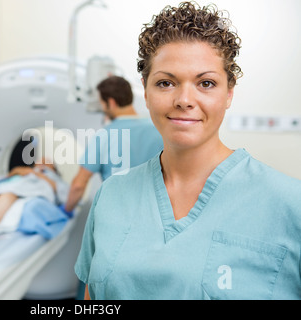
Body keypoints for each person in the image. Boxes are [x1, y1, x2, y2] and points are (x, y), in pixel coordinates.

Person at [75, 1, 301, 300]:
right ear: (145, 90)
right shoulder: (112, 196)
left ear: (229, 92)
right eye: (166, 82)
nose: (184, 99)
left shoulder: (288, 203)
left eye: (206, 83)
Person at [63, 76, 163, 213]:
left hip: (118, 213)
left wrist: (66, 210)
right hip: (153, 212)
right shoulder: (158, 129)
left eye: (102, 104)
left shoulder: (104, 136)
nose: (103, 108)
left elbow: (78, 185)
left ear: (111, 102)